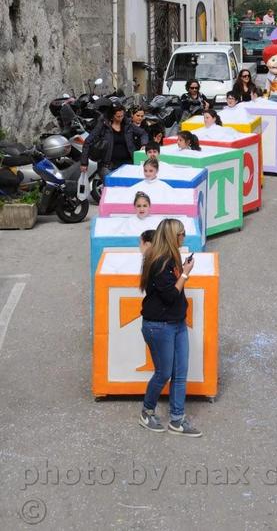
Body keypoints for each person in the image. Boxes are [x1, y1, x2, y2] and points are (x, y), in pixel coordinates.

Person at [139, 218, 202, 436]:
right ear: (172, 236)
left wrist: (182, 270)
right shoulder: (159, 262)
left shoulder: (171, 257)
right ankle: (147, 411)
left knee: (180, 374)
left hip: (176, 323)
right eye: (181, 233)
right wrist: (185, 273)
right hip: (159, 326)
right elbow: (169, 296)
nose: (184, 236)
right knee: (164, 373)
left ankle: (177, 419)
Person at [80, 103, 148, 176]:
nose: (121, 118)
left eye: (122, 115)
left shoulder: (127, 124)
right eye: (118, 116)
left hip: (128, 164)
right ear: (112, 116)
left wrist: (144, 144)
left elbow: (143, 133)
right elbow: (87, 142)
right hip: (108, 166)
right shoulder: (103, 125)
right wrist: (84, 163)